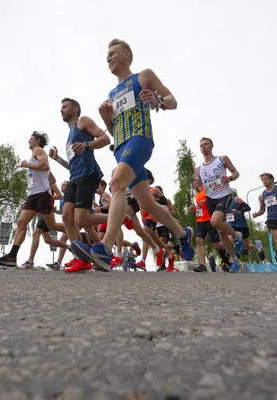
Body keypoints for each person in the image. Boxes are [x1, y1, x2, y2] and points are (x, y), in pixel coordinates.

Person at [70, 39, 194, 271]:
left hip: (140, 138)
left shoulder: (143, 76)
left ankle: (105, 250)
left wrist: (158, 101)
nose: (108, 58)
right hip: (121, 146)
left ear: (127, 54)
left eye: (113, 53)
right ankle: (183, 233)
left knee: (116, 183)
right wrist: (106, 116)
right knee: (146, 202)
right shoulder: (112, 93)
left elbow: (172, 100)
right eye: (106, 55)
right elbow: (114, 129)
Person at [49, 98, 114, 273]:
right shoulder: (69, 136)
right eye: (60, 107)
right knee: (67, 218)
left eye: (65, 107)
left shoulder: (83, 121)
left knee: (81, 219)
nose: (61, 110)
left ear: (75, 108)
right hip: (74, 177)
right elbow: (72, 164)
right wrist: (58, 159)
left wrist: (87, 144)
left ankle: (116, 216)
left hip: (89, 174)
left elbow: (105, 138)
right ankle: (82, 259)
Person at [0, 132, 65, 268]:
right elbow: (52, 178)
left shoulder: (38, 150)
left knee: (53, 226)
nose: (28, 141)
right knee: (21, 223)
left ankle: (78, 235)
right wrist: (43, 177)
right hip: (32, 195)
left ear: (37, 141)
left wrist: (27, 165)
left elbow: (45, 166)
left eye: (31, 139)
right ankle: (12, 256)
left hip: (42, 194)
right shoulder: (35, 155)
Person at [195, 137, 244, 272]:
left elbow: (236, 173)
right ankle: (235, 261)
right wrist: (196, 186)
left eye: (205, 144)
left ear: (211, 146)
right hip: (210, 198)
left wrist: (229, 178)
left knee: (215, 221)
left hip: (224, 194)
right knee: (221, 232)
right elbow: (199, 188)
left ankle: (235, 235)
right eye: (201, 146)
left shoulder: (222, 159)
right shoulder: (198, 168)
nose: (203, 147)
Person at [20, 173, 69, 270]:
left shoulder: (49, 182)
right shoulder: (39, 184)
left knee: (36, 233)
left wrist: (47, 197)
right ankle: (70, 247)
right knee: (48, 240)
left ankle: (30, 261)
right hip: (41, 211)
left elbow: (59, 195)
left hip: (46, 211)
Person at [190, 178, 228, 273]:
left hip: (210, 219)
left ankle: (231, 248)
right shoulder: (196, 195)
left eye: (196, 180)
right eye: (193, 181)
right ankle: (202, 265)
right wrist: (194, 210)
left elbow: (215, 200)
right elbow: (200, 208)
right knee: (199, 240)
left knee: (216, 244)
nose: (195, 182)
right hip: (200, 220)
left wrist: (206, 201)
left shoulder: (207, 191)